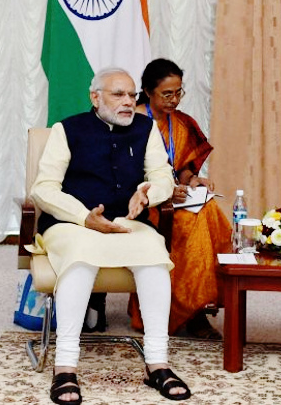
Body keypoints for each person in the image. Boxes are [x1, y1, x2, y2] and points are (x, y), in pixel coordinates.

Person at [32, 68, 191, 404]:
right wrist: (82, 217)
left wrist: (148, 194)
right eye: (118, 94)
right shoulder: (68, 129)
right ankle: (65, 368)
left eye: (132, 95)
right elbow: (43, 189)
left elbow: (163, 175)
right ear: (96, 97)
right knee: (81, 256)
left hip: (125, 221)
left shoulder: (145, 128)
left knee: (154, 253)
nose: (128, 102)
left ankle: (157, 364)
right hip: (72, 223)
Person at [127, 58, 232, 338]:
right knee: (189, 224)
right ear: (148, 91)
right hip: (142, 201)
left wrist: (192, 180)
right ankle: (180, 310)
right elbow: (124, 172)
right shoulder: (132, 122)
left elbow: (181, 167)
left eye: (179, 93)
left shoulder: (181, 124)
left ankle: (198, 306)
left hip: (177, 198)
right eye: (167, 94)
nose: (175, 100)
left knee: (210, 213)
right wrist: (162, 189)